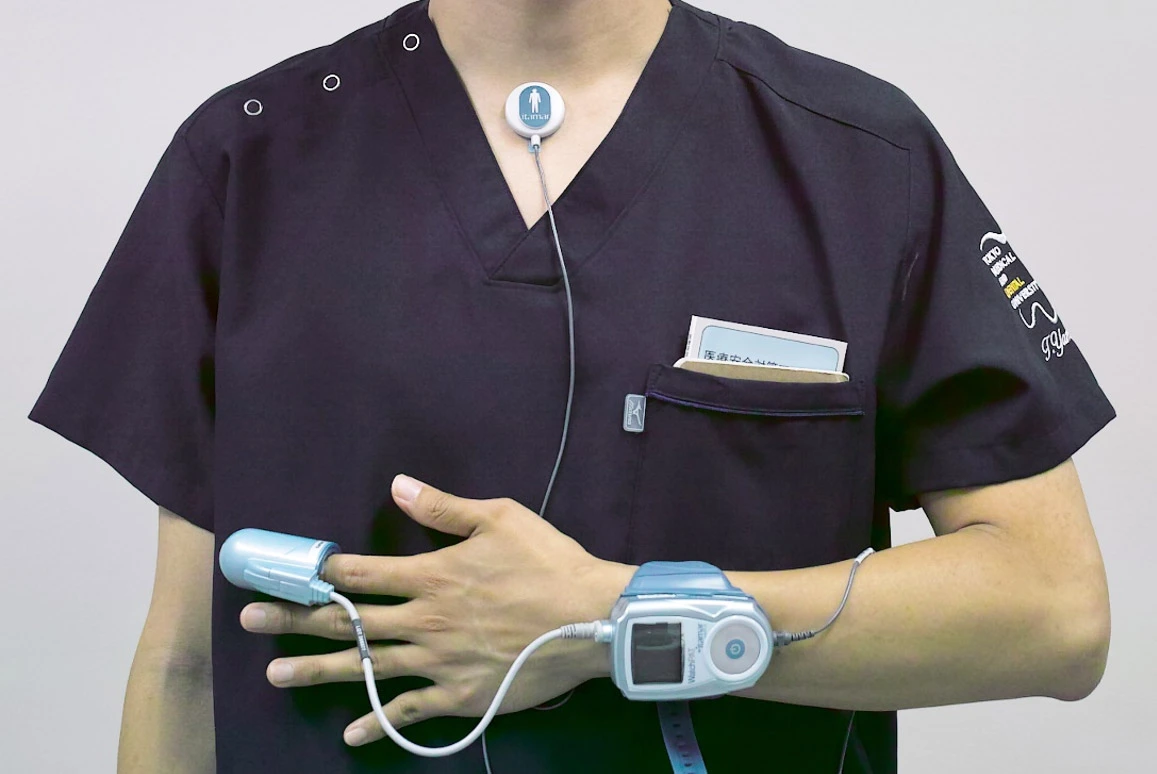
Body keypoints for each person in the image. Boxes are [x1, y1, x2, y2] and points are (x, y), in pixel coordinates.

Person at [27, 0, 1115, 772]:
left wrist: (606, 619)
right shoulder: (248, 163)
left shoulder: (860, 162)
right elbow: (185, 664)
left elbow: (1052, 614)